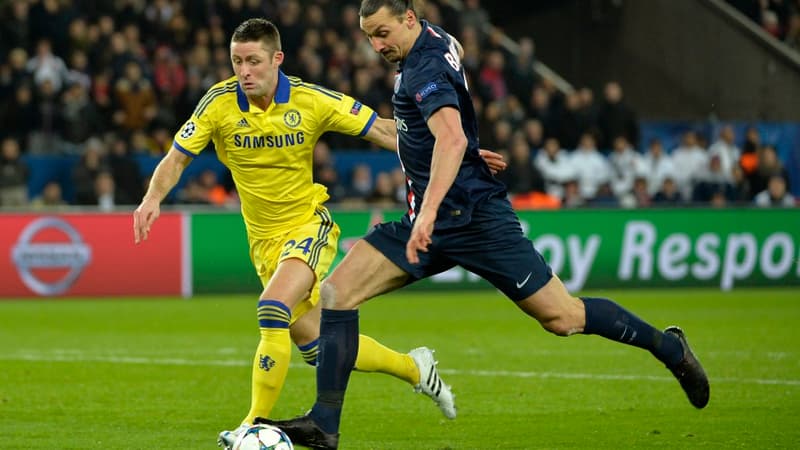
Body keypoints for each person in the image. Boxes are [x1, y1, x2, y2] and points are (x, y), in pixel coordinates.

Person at [262, 2, 710, 448]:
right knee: (338, 294)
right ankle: (325, 424)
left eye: (382, 33)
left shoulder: (423, 69)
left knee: (563, 317)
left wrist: (437, 200)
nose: (377, 45)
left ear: (409, 19)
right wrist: (469, 153)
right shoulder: (441, 40)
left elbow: (450, 136)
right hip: (430, 218)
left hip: (475, 219)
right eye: (369, 37)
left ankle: (668, 347)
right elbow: (447, 129)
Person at [132, 18, 505, 450]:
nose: (244, 71)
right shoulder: (217, 103)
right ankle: (414, 368)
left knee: (271, 308)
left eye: (253, 61)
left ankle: (252, 426)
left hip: (309, 226)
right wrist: (151, 198)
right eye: (237, 61)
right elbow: (177, 158)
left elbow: (386, 129)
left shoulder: (311, 100)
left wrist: (456, 147)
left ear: (277, 59)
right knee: (315, 343)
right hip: (263, 242)